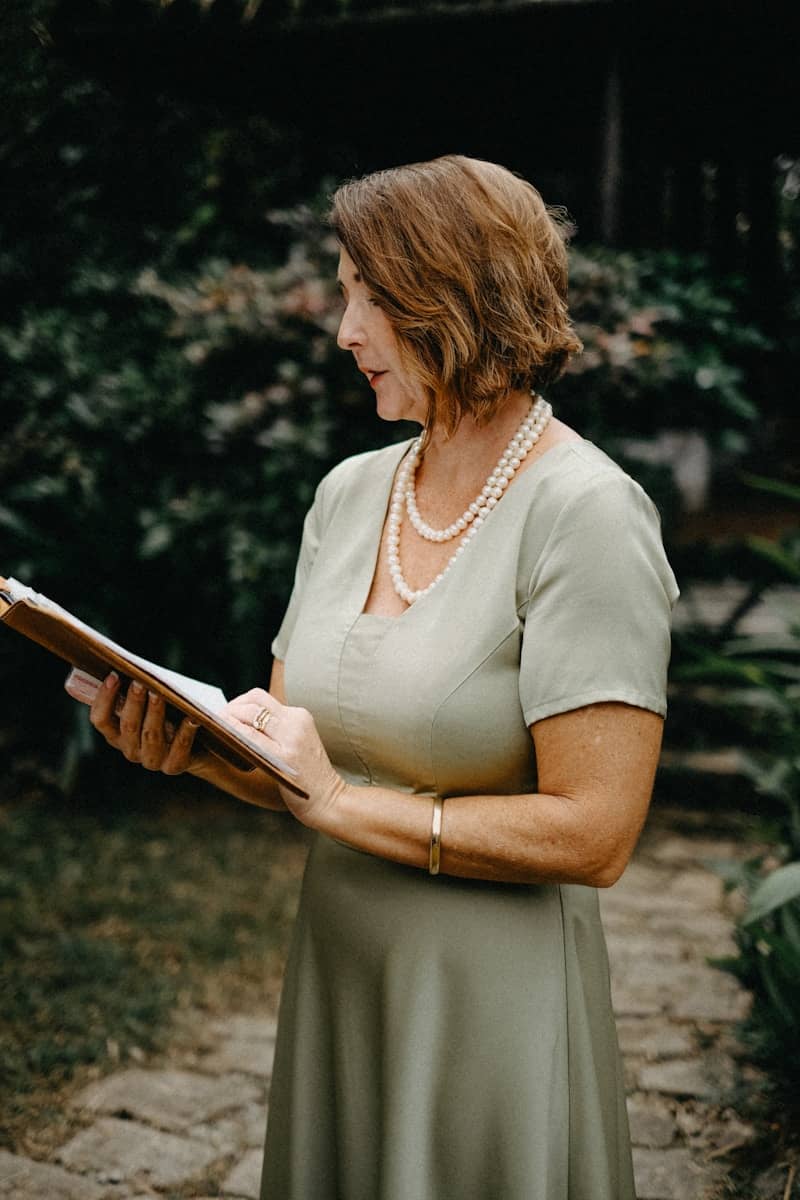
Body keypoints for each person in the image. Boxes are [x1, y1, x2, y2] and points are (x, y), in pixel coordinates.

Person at [87, 155, 679, 1199]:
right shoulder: (350, 493)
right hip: (340, 965)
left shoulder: (584, 512)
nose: (343, 331)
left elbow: (595, 834)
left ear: (450, 299)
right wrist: (188, 745)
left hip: (488, 995)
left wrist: (343, 802)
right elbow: (296, 762)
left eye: (367, 296)